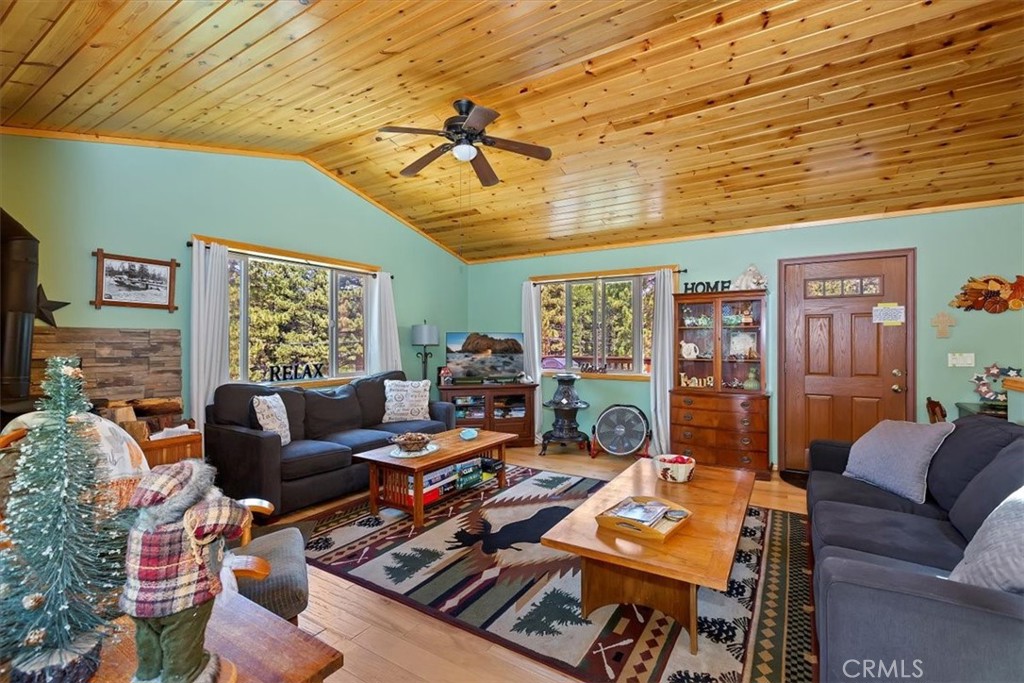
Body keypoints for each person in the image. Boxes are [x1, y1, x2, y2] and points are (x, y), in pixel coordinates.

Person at [121, 459, 250, 683]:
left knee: (147, 639)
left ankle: (148, 673)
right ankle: (184, 674)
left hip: (138, 602)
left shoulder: (140, 524)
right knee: (182, 642)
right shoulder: (198, 515)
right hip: (184, 601)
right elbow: (240, 516)